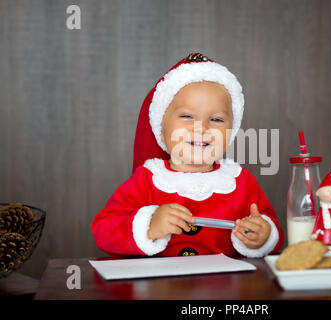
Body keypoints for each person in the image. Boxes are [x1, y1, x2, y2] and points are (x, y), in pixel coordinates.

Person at [92, 52, 284, 258]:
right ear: (161, 131)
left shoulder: (242, 182)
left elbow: (272, 230)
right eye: (186, 116)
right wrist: (149, 225)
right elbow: (103, 231)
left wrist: (263, 236)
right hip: (161, 289)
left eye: (217, 119)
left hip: (224, 287)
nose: (201, 128)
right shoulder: (147, 180)